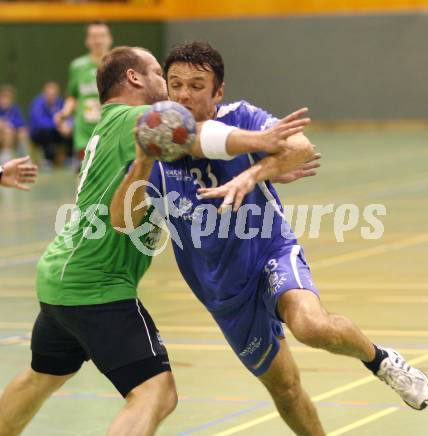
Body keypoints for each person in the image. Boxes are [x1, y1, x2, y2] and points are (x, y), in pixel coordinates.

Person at [112, 42, 428, 435]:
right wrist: (144, 159)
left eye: (197, 85)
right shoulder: (158, 150)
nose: (183, 94)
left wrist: (251, 175)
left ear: (218, 93)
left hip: (268, 251)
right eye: (176, 84)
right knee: (285, 389)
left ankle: (380, 360)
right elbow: (123, 221)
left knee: (310, 326)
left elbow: (300, 146)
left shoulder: (240, 117)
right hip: (222, 292)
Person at [0, 46, 310, 436]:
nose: (170, 87)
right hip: (97, 285)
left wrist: (265, 171)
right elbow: (198, 138)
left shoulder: (109, 124)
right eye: (160, 75)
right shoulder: (138, 119)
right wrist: (265, 141)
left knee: (40, 378)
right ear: (135, 78)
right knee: (156, 391)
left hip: (60, 277)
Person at [54, 21, 113, 167]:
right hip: (84, 131)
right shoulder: (77, 66)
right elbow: (73, 96)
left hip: (111, 128)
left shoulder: (117, 64)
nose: (98, 40)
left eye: (101, 36)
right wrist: (64, 114)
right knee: (84, 175)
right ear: (87, 40)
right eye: (93, 36)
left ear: (110, 39)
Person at [29, 82, 72, 168]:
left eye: (54, 95)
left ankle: (69, 158)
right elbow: (39, 122)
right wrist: (58, 125)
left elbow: (69, 116)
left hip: (56, 130)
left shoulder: (59, 102)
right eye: (50, 94)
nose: (52, 97)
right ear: (44, 93)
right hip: (38, 133)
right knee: (46, 132)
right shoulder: (38, 103)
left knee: (69, 131)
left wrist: (69, 125)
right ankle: (47, 159)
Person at [0, 85, 29, 164]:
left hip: (12, 134)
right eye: (4, 97)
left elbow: (21, 123)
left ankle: (24, 159)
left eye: (8, 98)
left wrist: (9, 123)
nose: (6, 100)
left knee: (22, 133)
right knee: (7, 131)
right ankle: (4, 161)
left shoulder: (14, 109)